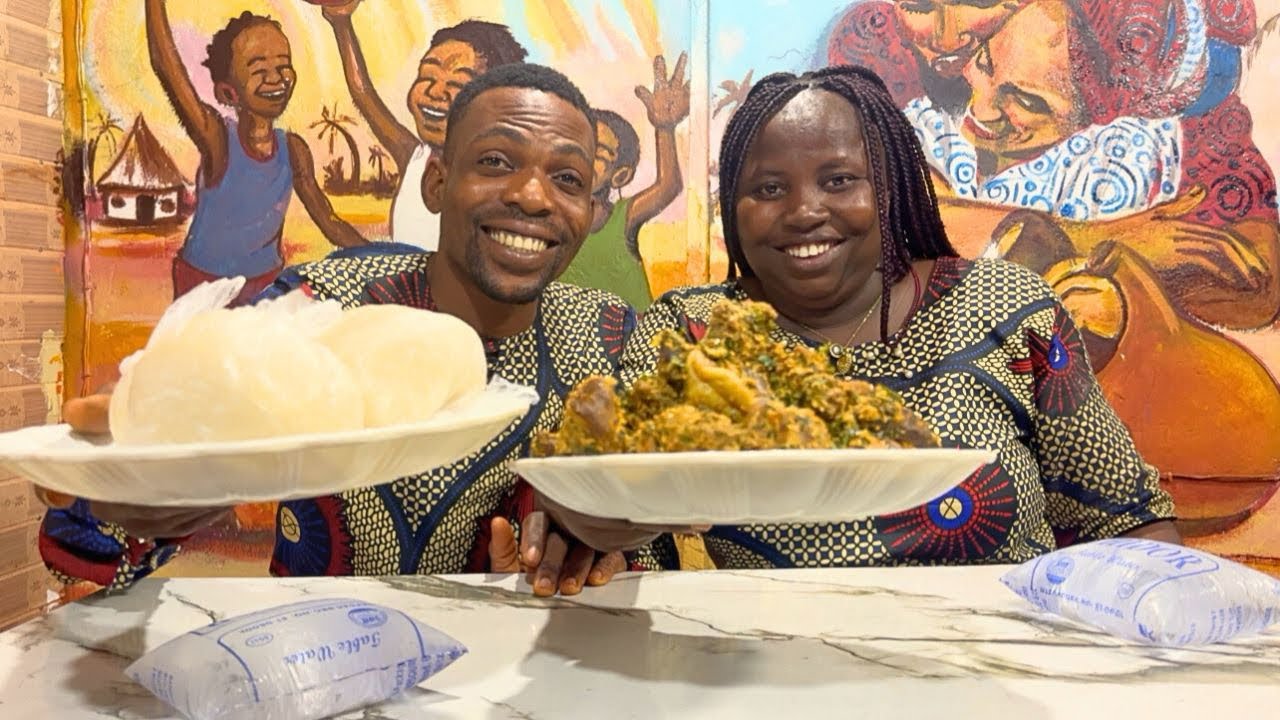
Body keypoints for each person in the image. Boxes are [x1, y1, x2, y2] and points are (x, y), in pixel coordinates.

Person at [39, 64, 699, 597]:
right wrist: (129, 487)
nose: (532, 195)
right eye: (497, 161)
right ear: (437, 182)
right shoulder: (322, 306)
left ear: (590, 208)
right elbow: (84, 552)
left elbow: (648, 559)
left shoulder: (611, 338)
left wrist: (592, 546)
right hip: (316, 669)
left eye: (568, 178)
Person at [517, 65, 1181, 572]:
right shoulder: (692, 333)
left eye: (838, 181)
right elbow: (625, 531)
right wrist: (592, 520)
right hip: (769, 677)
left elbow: (1129, 524)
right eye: (768, 189)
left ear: (889, 188)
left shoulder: (1005, 307)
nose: (805, 211)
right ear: (734, 209)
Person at [146, 1, 367, 306]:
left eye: (283, 65)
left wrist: (386, 259)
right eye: (259, 69)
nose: (276, 78)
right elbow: (165, 65)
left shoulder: (293, 150)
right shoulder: (218, 140)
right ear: (228, 93)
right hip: (205, 287)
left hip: (265, 286)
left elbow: (330, 221)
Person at [320, 1, 527, 250]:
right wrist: (341, 23)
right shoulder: (415, 159)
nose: (434, 92)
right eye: (427, 75)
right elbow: (363, 93)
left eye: (458, 84)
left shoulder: (501, 184)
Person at [557, 53, 692, 308]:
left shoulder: (622, 217)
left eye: (597, 154)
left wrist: (665, 128)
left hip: (630, 331)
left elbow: (669, 186)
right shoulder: (550, 218)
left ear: (620, 176)